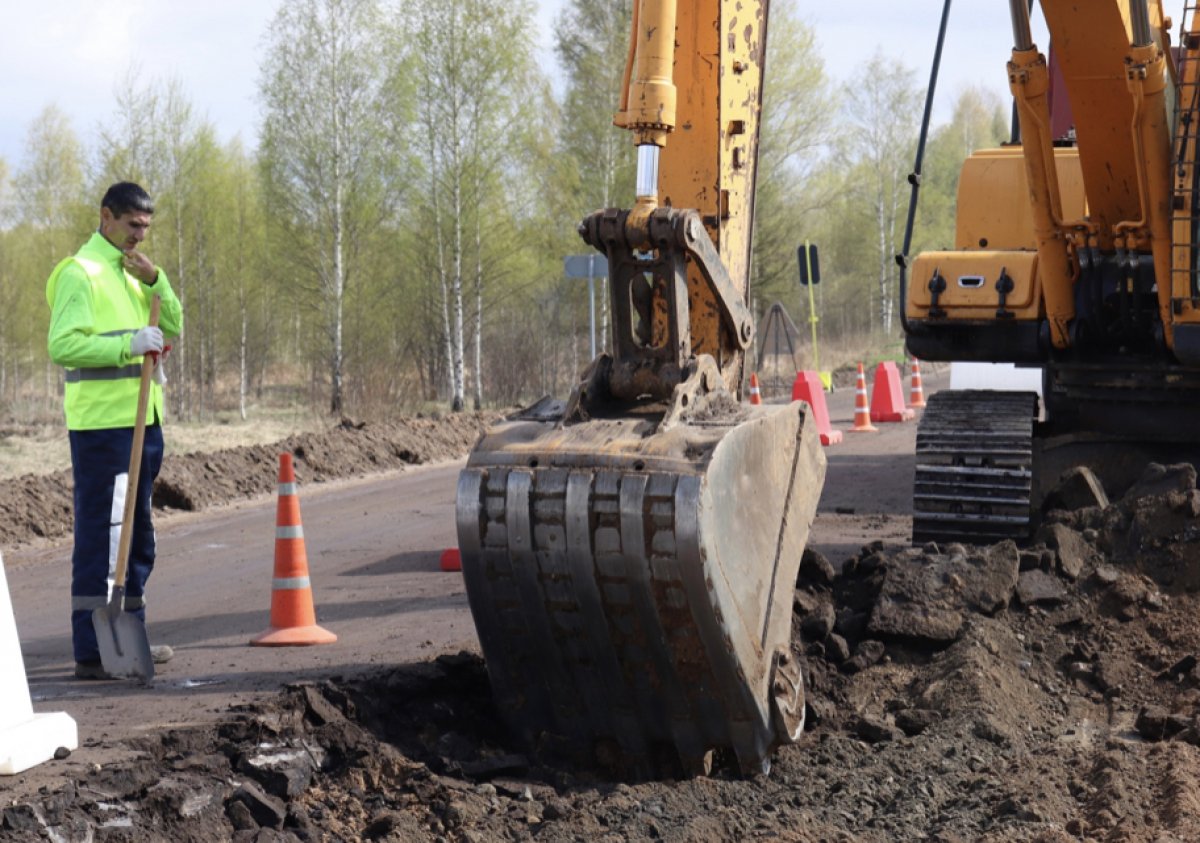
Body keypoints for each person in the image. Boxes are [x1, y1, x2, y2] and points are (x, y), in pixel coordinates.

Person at [46, 182, 184, 680]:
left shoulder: (134, 272)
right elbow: (63, 345)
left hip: (143, 420)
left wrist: (158, 282)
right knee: (103, 537)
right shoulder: (80, 274)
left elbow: (174, 323)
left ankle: (129, 631)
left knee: (137, 536)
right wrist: (128, 343)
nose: (140, 237)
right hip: (103, 426)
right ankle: (91, 648)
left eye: (146, 227)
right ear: (107, 217)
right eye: (133, 226)